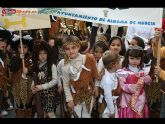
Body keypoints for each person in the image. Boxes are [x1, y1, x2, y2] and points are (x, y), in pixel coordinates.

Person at [61, 35, 98, 118]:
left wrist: (96, 87)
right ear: (64, 50)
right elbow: (66, 85)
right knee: (75, 116)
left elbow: (95, 75)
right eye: (67, 49)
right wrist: (69, 99)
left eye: (73, 47)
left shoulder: (88, 58)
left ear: (78, 47)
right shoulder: (65, 67)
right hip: (75, 95)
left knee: (87, 115)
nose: (71, 51)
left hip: (88, 94)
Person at [117, 45, 152, 118]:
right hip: (127, 100)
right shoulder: (123, 72)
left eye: (137, 58)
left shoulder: (143, 71)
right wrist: (133, 87)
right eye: (132, 58)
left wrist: (147, 78)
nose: (134, 61)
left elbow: (149, 82)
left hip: (141, 100)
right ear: (127, 58)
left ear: (141, 59)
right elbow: (122, 86)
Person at [31, 41, 58, 118]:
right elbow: (34, 79)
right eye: (40, 53)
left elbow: (55, 81)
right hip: (38, 93)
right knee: (40, 113)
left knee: (50, 113)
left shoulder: (52, 65)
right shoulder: (37, 66)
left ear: (48, 54)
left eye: (44, 53)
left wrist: (42, 86)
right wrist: (32, 86)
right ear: (36, 55)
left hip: (49, 94)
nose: (42, 56)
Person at [10, 33, 34, 118]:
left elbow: (34, 69)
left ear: (28, 48)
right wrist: (19, 59)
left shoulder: (31, 58)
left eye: (25, 47)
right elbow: (12, 68)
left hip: (28, 85)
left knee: (28, 104)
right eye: (20, 47)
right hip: (17, 85)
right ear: (17, 48)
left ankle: (28, 114)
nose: (22, 49)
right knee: (19, 104)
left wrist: (28, 70)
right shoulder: (14, 57)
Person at [97, 51, 121, 118]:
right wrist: (112, 112)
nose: (120, 64)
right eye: (119, 62)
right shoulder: (107, 80)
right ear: (114, 64)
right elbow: (108, 97)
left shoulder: (113, 73)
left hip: (113, 104)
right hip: (107, 107)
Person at [0, 29, 12, 117]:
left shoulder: (3, 54)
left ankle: (4, 106)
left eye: (5, 41)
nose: (3, 44)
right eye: (1, 40)